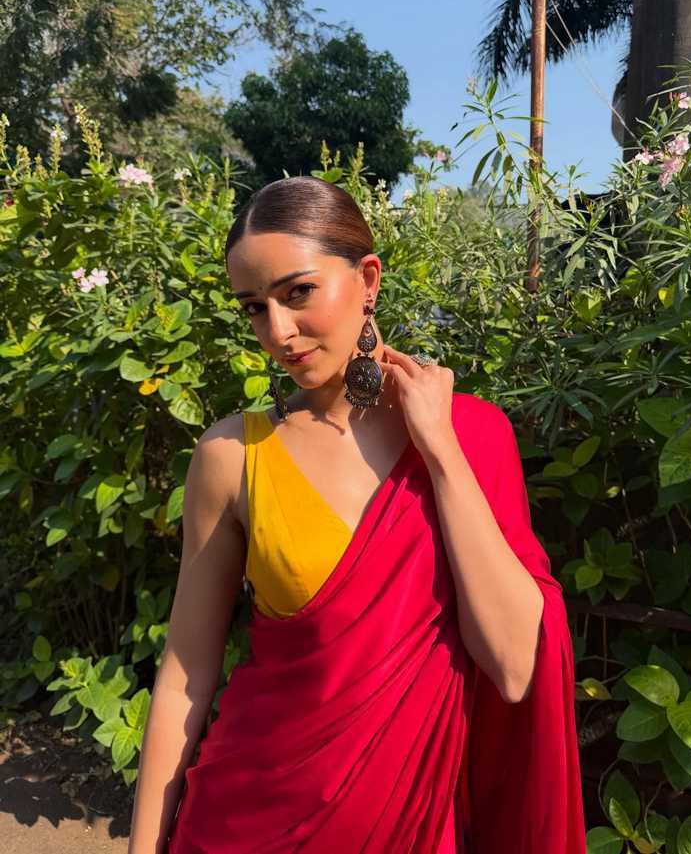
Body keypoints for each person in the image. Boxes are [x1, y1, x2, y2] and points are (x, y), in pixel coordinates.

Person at [128, 176, 587, 853]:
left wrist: (440, 450)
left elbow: (516, 665)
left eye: (298, 292)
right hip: (245, 822)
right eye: (254, 308)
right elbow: (184, 677)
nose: (277, 332)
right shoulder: (233, 456)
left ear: (367, 278)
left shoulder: (472, 435)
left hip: (413, 829)